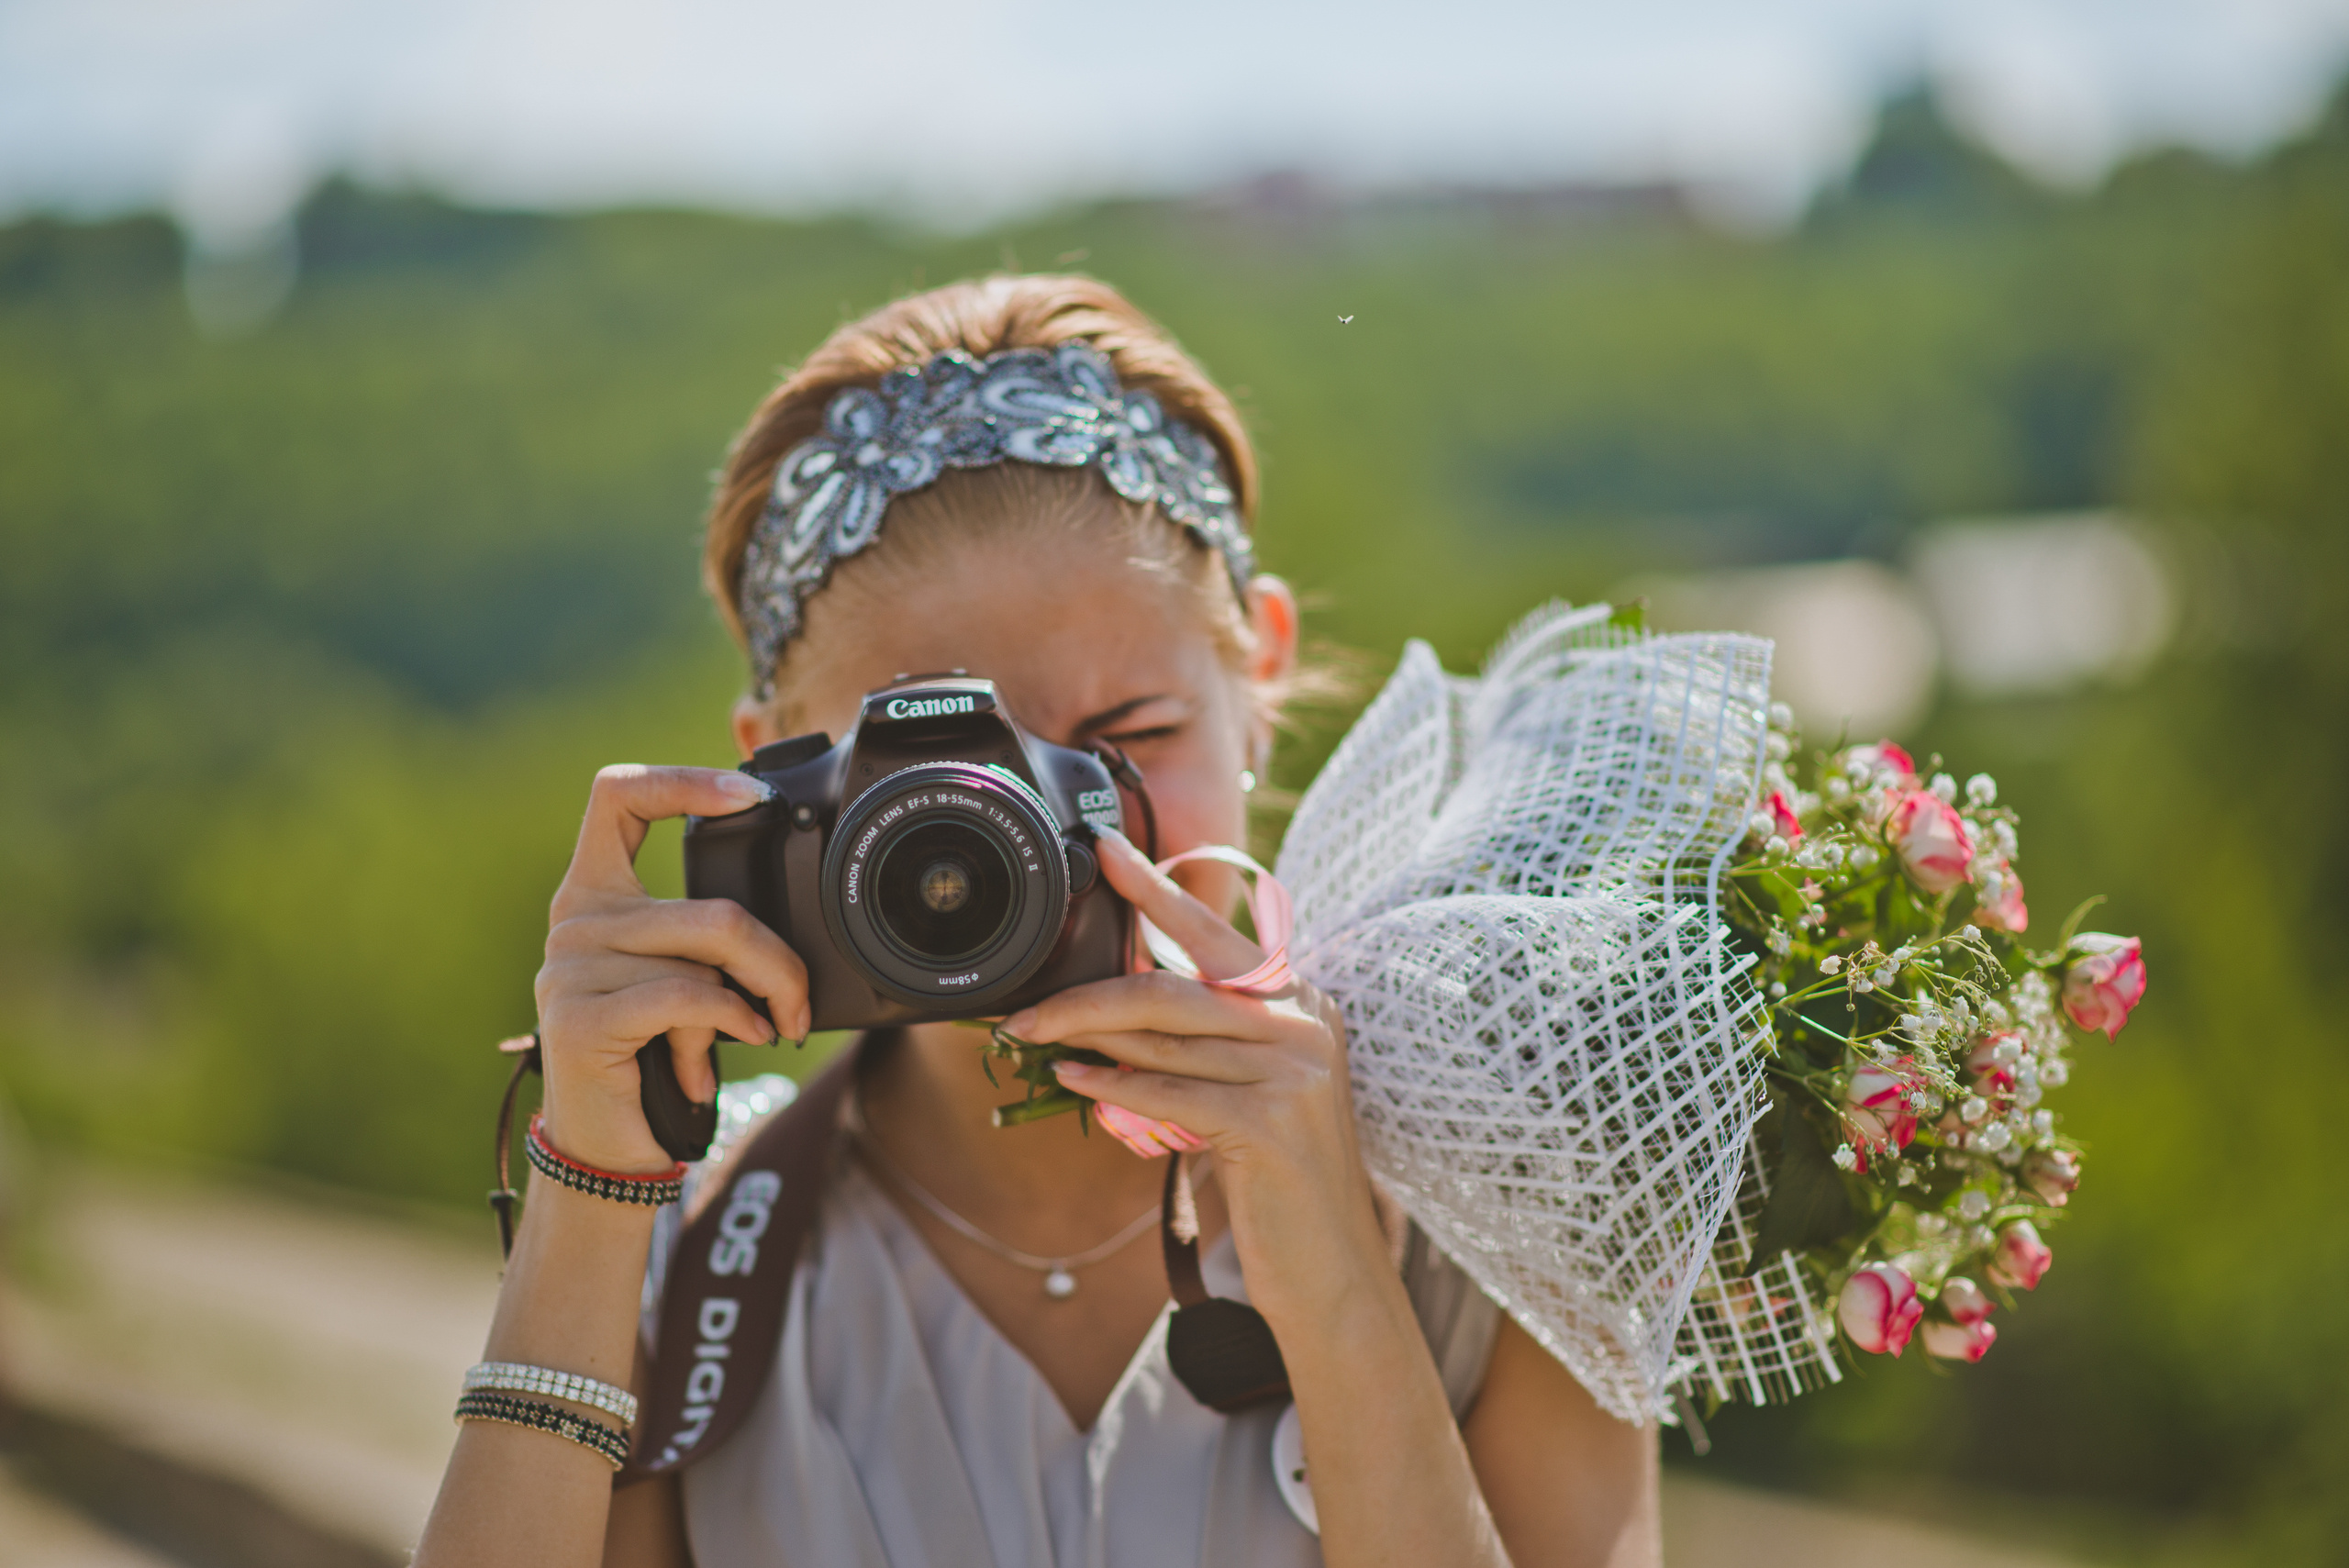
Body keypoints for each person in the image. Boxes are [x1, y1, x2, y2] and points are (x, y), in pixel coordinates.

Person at [416, 275, 1660, 1568]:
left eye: (1125, 743)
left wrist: (1343, 1285)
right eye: (935, 792)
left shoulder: (1504, 1208)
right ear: (768, 771)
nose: (1036, 844)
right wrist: (590, 1196)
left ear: (1261, 679)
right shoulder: (679, 1248)